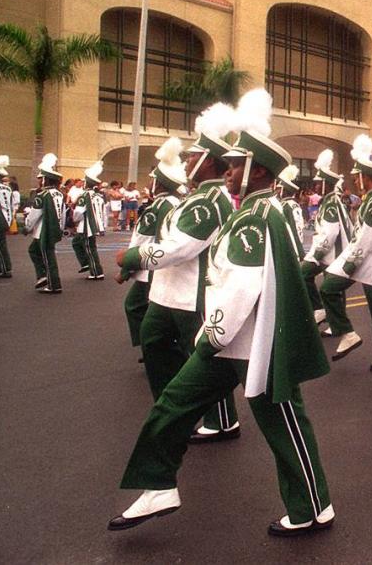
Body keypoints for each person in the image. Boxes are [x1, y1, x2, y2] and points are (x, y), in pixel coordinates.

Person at [109, 91, 335, 537]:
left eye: (235, 165)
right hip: (234, 342)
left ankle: (313, 506)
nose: (227, 171)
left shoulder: (255, 217)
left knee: (284, 422)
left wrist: (209, 337)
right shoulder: (255, 211)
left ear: (259, 171)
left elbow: (241, 289)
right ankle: (157, 484)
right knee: (173, 404)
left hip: (253, 342)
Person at [115, 104, 240, 442]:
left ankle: (223, 420)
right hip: (166, 293)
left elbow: (180, 247)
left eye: (193, 156)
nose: (186, 161)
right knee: (154, 344)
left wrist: (133, 257)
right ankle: (175, 412)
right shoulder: (195, 197)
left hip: (193, 293)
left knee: (204, 358)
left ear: (209, 161)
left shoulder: (210, 200)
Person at [320, 134, 372, 370]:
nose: (355, 181)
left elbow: (369, 237)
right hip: (367, 262)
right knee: (329, 288)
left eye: (357, 176)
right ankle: (348, 333)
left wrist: (349, 264)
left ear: (366, 177)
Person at [116, 140, 187, 361]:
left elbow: (140, 241)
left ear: (160, 183)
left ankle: (152, 348)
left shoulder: (156, 207)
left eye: (153, 180)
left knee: (134, 305)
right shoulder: (180, 203)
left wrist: (125, 270)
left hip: (152, 267)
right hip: (170, 266)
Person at [301, 149, 351, 335]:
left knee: (306, 274)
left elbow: (330, 234)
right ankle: (331, 320)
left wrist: (315, 256)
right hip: (336, 252)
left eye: (318, 183)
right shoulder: (331, 201)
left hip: (333, 253)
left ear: (326, 184)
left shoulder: (330, 203)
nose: (315, 186)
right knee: (333, 290)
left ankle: (328, 317)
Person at [25, 154, 65, 293]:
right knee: (33, 250)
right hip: (53, 228)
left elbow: (34, 215)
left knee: (48, 256)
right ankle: (43, 276)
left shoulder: (42, 195)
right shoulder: (59, 194)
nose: (39, 181)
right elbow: (63, 212)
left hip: (43, 230)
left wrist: (27, 226)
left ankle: (54, 284)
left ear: (45, 179)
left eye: (40, 178)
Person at [71, 161, 107, 281]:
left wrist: (75, 220)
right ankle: (86, 264)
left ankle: (96, 272)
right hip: (93, 226)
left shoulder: (84, 195)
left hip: (85, 226)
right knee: (77, 243)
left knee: (89, 249)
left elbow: (78, 213)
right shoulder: (99, 196)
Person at [276, 164, 306, 259]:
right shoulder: (294, 204)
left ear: (284, 191)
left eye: (278, 189)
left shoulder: (285, 205)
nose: (276, 191)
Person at [0, 156, 14, 278]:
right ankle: (5, 267)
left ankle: (3, 269)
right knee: (1, 244)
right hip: (6, 219)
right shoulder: (7, 188)